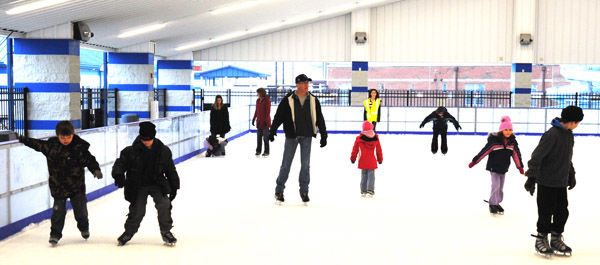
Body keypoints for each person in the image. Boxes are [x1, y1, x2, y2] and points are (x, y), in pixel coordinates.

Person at [18, 121, 103, 246]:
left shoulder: (79, 148)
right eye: (63, 137)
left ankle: (84, 227)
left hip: (76, 187)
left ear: (73, 134)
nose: (66, 140)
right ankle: (55, 235)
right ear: (58, 135)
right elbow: (36, 144)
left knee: (81, 212)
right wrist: (22, 139)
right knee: (58, 213)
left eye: (68, 137)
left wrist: (95, 169)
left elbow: (90, 160)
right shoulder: (51, 147)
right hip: (58, 187)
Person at [524, 106, 583, 257]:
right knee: (545, 211)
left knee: (562, 212)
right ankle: (541, 238)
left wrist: (571, 173)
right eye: (577, 122)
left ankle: (556, 238)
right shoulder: (551, 135)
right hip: (546, 182)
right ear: (571, 121)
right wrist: (531, 177)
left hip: (561, 182)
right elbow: (537, 157)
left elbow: (566, 157)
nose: (577, 125)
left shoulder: (569, 135)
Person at [112, 122, 180, 246]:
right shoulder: (130, 151)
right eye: (144, 139)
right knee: (138, 210)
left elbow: (170, 169)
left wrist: (174, 186)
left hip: (157, 183)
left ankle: (166, 231)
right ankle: (129, 232)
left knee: (164, 204)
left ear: (154, 137)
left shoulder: (163, 150)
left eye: (149, 139)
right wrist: (118, 175)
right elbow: (120, 164)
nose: (146, 142)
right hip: (138, 184)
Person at [269, 74, 327, 205]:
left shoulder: (313, 100)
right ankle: (279, 190)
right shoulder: (288, 99)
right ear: (297, 84)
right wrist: (272, 131)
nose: (307, 85)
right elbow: (279, 116)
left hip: (307, 135)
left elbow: (319, 118)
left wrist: (324, 134)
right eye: (304, 83)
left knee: (305, 165)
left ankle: (304, 191)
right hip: (292, 136)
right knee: (286, 164)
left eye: (307, 83)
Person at [468, 116, 524, 215]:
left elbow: (516, 155)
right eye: (506, 129)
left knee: (501, 187)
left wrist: (520, 167)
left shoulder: (512, 142)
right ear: (501, 130)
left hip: (504, 168)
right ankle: (492, 204)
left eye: (510, 130)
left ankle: (497, 202)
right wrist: (474, 161)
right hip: (494, 167)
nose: (508, 132)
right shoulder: (494, 141)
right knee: (495, 186)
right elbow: (484, 152)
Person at [350, 121, 383, 198]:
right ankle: (370, 191)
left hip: (363, 161)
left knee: (364, 175)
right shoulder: (375, 138)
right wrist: (380, 159)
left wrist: (353, 158)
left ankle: (363, 191)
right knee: (371, 177)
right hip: (372, 162)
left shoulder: (359, 138)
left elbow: (355, 150)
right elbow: (379, 150)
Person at [252, 87, 271, 157]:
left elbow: (268, 112)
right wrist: (254, 119)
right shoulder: (257, 101)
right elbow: (256, 110)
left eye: (258, 93)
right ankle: (258, 151)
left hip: (265, 123)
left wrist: (265, 121)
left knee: (266, 138)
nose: (257, 94)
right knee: (259, 138)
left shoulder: (267, 100)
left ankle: (266, 151)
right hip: (259, 122)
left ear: (261, 93)